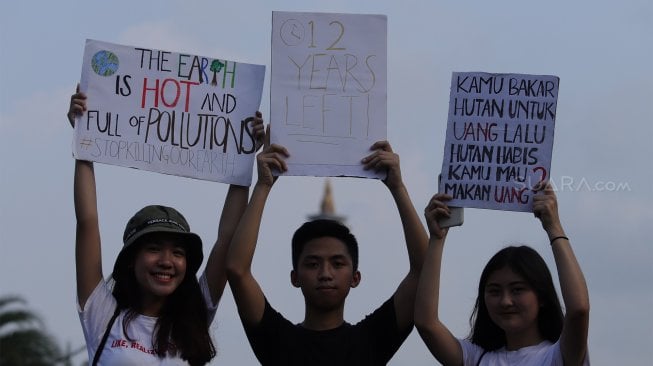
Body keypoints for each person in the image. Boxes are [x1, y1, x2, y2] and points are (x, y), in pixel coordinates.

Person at [68, 89, 264, 365]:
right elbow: (87, 221)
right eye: (154, 248)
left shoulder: (195, 317)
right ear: (130, 260)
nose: (166, 261)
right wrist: (83, 141)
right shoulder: (101, 314)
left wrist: (245, 154)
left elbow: (227, 238)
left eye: (178, 253)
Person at [225, 138, 428, 365]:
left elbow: (424, 272)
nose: (325, 273)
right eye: (312, 264)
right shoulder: (277, 339)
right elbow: (236, 269)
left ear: (355, 277)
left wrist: (397, 187)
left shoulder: (371, 339)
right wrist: (263, 185)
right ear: (295, 277)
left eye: (337, 263)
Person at [415, 185, 590, 365]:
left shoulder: (559, 356)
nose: (506, 301)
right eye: (494, 291)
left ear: (542, 296)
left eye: (517, 290)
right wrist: (437, 238)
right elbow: (426, 323)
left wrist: (554, 227)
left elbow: (579, 310)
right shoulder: (475, 359)